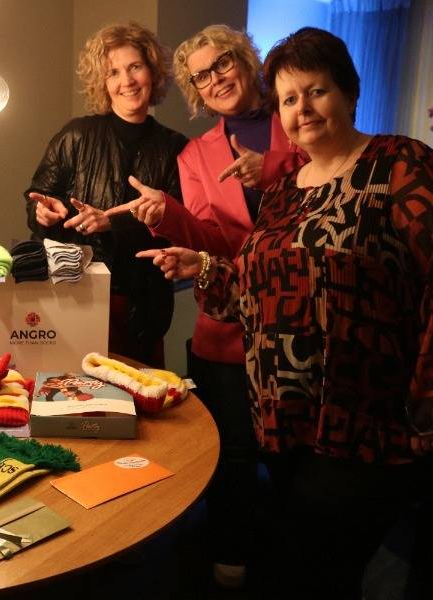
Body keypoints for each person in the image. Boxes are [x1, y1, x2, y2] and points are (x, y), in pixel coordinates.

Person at [137, 27, 433, 600]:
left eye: (316, 91)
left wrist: (426, 400)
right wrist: (201, 264)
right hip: (287, 422)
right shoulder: (286, 191)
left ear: (349, 92)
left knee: (310, 569)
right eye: (292, 98)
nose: (303, 108)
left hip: (365, 421)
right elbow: (255, 285)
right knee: (306, 565)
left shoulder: (399, 163)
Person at [104, 24, 303, 588]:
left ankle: (297, 556)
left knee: (295, 457)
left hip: (298, 324)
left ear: (245, 60)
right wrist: (167, 213)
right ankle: (231, 553)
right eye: (200, 77)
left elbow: (326, 198)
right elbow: (209, 238)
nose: (214, 80)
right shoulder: (196, 154)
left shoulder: (296, 121)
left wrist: (273, 171)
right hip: (230, 327)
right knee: (233, 453)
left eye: (222, 65)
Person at [23, 22, 188, 368]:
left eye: (135, 67)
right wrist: (44, 213)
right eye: (113, 72)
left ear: (152, 72)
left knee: (140, 393)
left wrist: (113, 223)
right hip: (74, 298)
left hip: (144, 307)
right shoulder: (75, 135)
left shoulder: (176, 148)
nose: (126, 81)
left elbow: (179, 228)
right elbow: (38, 198)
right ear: (102, 82)